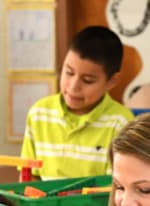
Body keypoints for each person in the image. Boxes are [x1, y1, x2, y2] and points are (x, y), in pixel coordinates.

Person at [20, 25, 134, 179]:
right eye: (69, 72)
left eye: (87, 80)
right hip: (44, 203)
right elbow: (28, 176)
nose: (73, 87)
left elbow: (119, 186)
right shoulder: (39, 114)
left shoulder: (121, 123)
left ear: (112, 81)